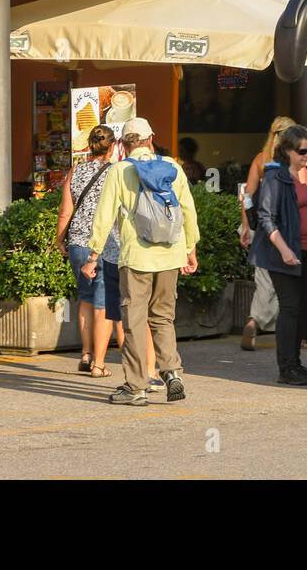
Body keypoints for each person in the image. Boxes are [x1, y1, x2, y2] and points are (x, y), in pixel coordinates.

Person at [87, 117, 198, 405]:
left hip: (136, 257)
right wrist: (190, 248)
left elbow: (104, 215)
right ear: (151, 139)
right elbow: (187, 209)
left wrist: (94, 253)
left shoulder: (119, 170)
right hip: (171, 254)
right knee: (163, 318)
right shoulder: (172, 166)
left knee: (134, 322)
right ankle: (172, 371)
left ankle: (135, 387)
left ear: (123, 145)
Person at [56, 125, 150, 384]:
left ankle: (85, 355)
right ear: (113, 146)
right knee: (103, 304)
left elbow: (66, 211)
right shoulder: (117, 172)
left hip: (77, 243)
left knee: (85, 299)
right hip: (106, 244)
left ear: (90, 144)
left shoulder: (75, 171)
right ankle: (99, 364)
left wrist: (60, 239)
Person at [248, 124, 307, 386]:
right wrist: (284, 249)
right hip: (284, 253)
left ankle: (296, 363)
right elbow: (266, 217)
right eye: (302, 151)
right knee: (290, 308)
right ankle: (287, 368)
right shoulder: (275, 176)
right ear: (287, 151)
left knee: (302, 308)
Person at [237, 116, 296, 351]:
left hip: (261, 227)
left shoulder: (261, 160)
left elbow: (247, 196)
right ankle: (261, 321)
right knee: (288, 281)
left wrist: (246, 227)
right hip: (286, 229)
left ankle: (255, 321)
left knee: (264, 279)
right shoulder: (293, 161)